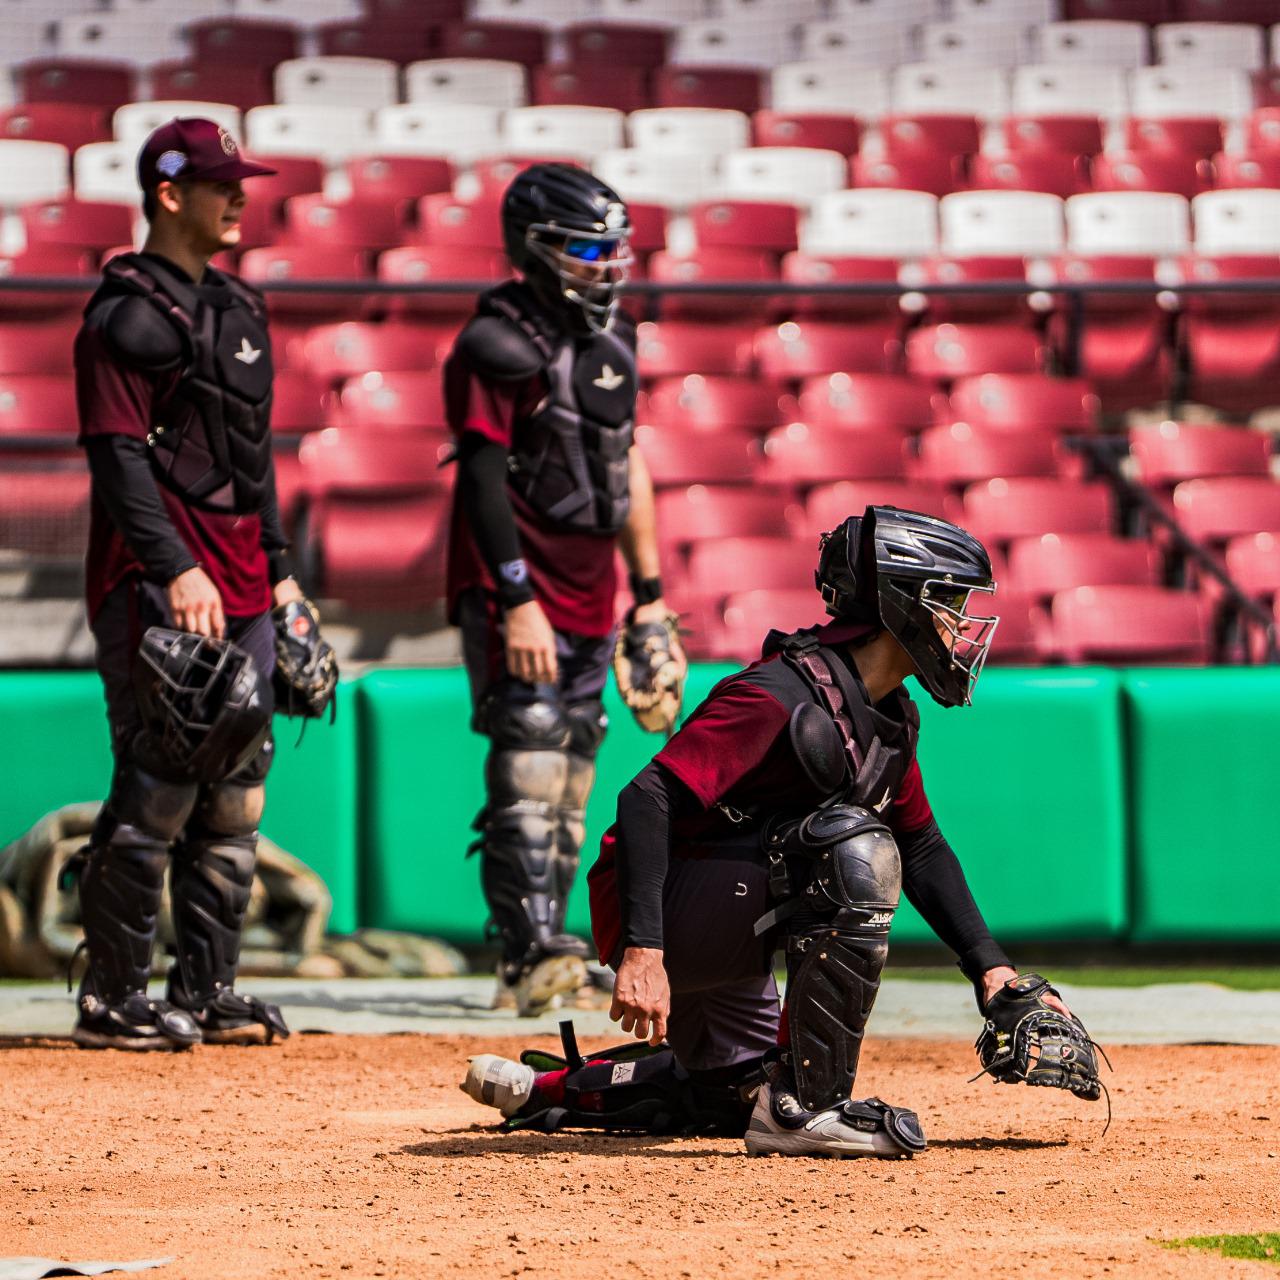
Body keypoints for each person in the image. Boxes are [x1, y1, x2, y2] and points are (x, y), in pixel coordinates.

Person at [462, 506, 1102, 1155]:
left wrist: (992, 972)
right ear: (899, 603)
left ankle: (547, 1090)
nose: (962, 625)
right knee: (855, 846)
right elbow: (645, 799)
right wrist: (644, 953)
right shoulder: (775, 695)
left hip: (719, 910)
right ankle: (809, 1109)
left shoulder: (891, 719)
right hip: (663, 913)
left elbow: (923, 845)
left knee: (730, 1091)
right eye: (949, 604)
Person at [71, 117, 303, 1049]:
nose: (239, 196)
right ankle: (111, 998)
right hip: (156, 585)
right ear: (169, 194)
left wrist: (282, 577)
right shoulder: (122, 315)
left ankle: (206, 988)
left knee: (238, 790)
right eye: (220, 183)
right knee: (159, 785)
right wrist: (175, 568)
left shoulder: (239, 309)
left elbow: (256, 463)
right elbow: (117, 460)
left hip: (245, 583)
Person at [444, 163, 685, 1017]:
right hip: (521, 589)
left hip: (593, 591)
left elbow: (626, 467)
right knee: (532, 758)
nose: (606, 264)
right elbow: (479, 478)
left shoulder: (615, 344)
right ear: (535, 249)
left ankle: (552, 946)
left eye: (612, 247)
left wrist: (650, 596)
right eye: (587, 248)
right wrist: (515, 600)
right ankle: (529, 952)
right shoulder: (493, 343)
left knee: (575, 775)